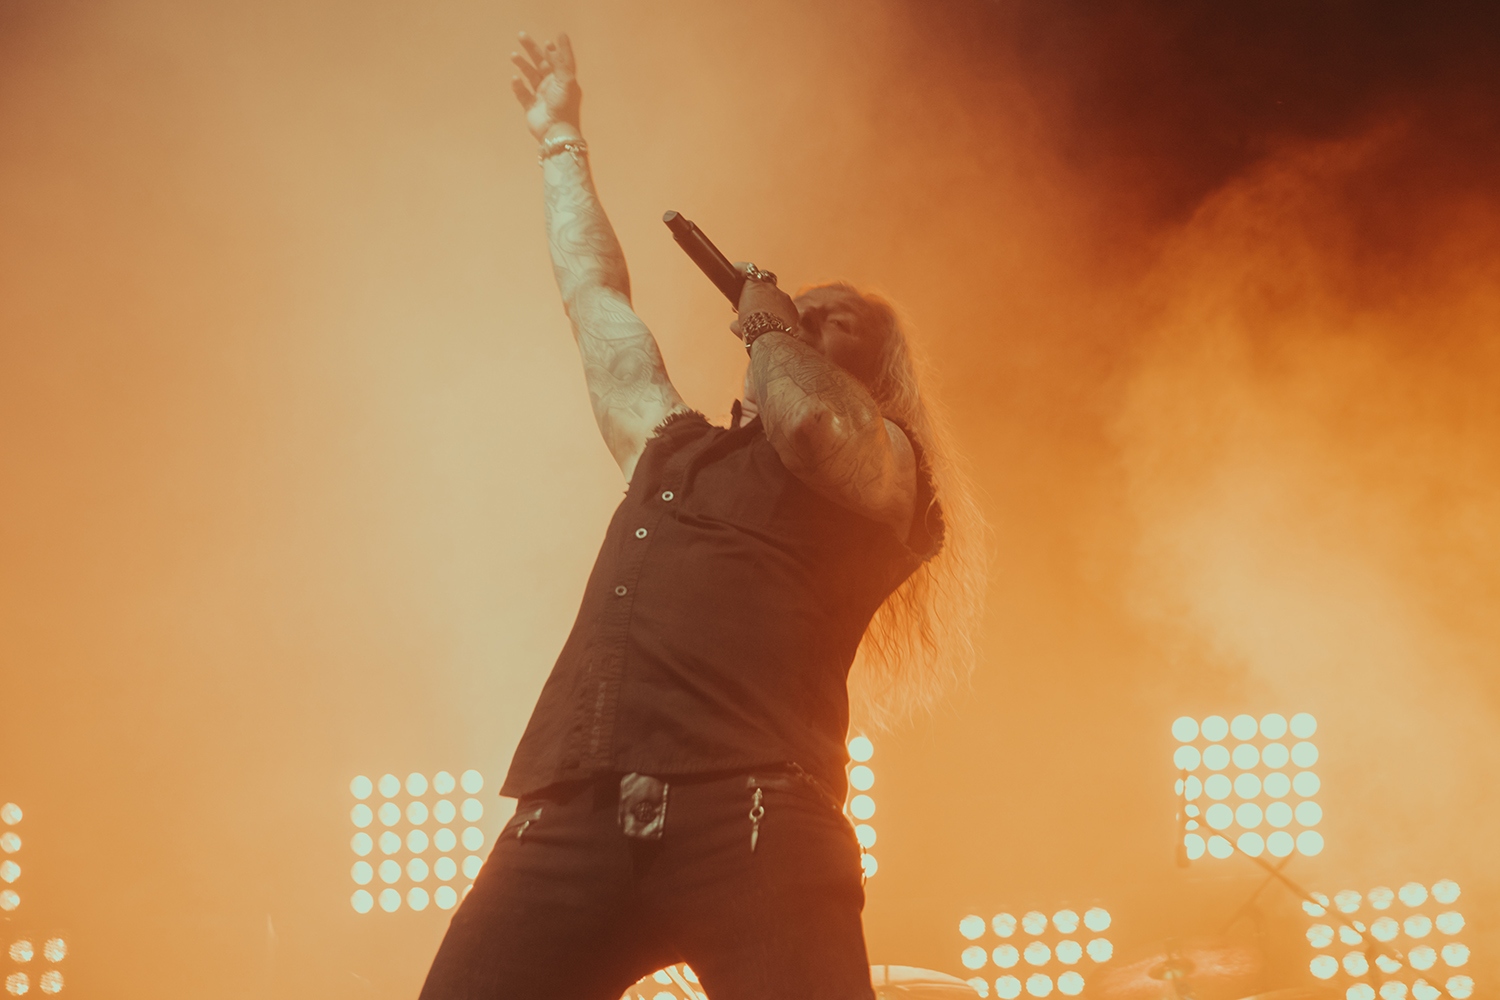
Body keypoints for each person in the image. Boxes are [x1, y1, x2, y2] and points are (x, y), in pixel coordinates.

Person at [418, 31, 983, 1000]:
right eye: (800, 310)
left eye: (835, 320)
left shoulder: (890, 469)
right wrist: (560, 143)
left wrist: (768, 318)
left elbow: (814, 425)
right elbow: (595, 299)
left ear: (876, 373)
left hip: (757, 815)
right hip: (573, 808)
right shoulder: (671, 448)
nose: (805, 316)